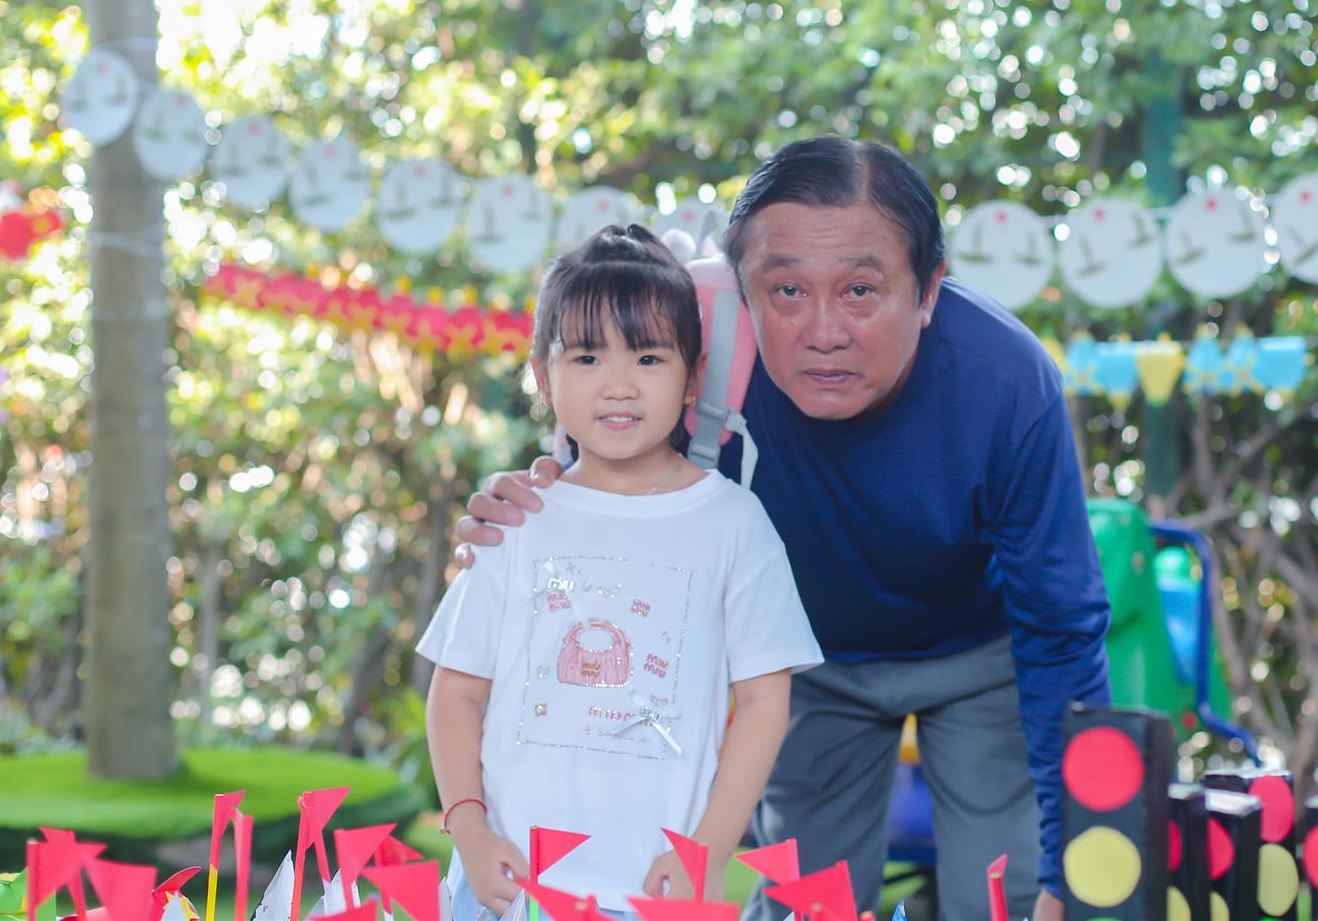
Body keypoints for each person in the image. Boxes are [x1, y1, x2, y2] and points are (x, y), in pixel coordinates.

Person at [456, 138, 1110, 921]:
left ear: (929, 288)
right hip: (803, 663)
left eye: (861, 290)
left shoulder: (1007, 381)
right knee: (808, 901)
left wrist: (1069, 869)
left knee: (1006, 893)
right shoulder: (692, 328)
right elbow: (602, 456)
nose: (824, 331)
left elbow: (1061, 626)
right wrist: (535, 498)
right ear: (740, 285)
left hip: (977, 656)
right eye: (788, 290)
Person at [421, 224, 821, 918]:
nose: (618, 385)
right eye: (586, 357)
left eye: (648, 357)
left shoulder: (734, 523)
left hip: (655, 892)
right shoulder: (515, 518)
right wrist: (470, 832)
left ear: (693, 376)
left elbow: (763, 702)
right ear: (543, 375)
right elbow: (455, 692)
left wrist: (707, 851)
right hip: (507, 886)